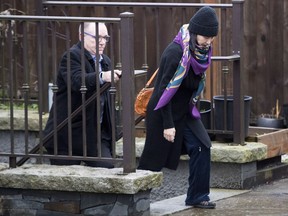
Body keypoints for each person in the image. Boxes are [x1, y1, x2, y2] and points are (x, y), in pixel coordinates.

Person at [138, 6, 218, 209]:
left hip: (185, 110)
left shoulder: (201, 52)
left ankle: (197, 196)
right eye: (205, 36)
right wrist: (167, 124)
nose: (208, 42)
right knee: (152, 162)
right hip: (163, 111)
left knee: (203, 146)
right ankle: (133, 201)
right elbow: (164, 91)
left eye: (211, 37)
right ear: (194, 32)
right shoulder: (175, 53)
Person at [44, 22, 121, 168]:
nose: (102, 42)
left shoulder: (105, 61)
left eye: (105, 38)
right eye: (97, 37)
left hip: (95, 135)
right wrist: (102, 76)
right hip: (68, 134)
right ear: (81, 36)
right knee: (65, 181)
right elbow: (78, 81)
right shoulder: (71, 56)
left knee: (107, 170)